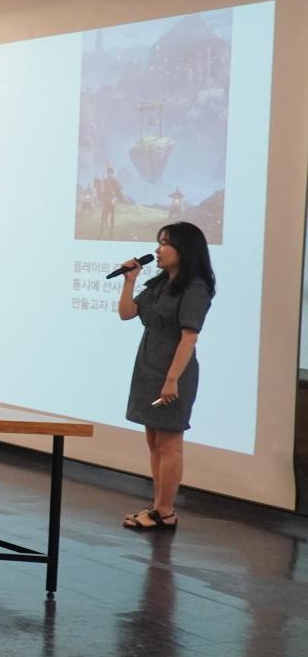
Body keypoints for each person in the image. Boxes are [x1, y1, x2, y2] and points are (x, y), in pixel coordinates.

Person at [116, 221, 215, 531]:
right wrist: (130, 280)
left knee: (169, 443)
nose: (158, 250)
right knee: (154, 441)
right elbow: (127, 313)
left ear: (184, 250)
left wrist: (172, 380)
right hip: (148, 365)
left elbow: (189, 337)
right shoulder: (161, 283)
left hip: (173, 370)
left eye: (165, 244)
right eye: (159, 243)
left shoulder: (195, 287)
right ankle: (158, 505)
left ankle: (165, 511)